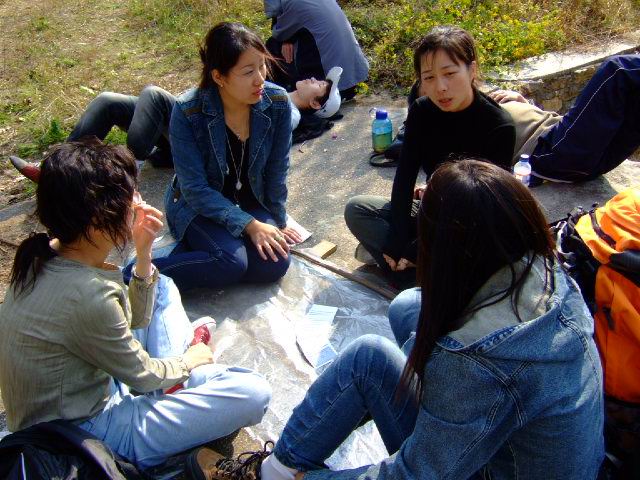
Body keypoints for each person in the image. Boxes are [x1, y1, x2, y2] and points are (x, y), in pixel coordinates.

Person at [188, 159, 604, 480]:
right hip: (538, 458)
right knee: (409, 306)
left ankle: (270, 475)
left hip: (488, 466)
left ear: (449, 249)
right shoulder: (550, 270)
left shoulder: (474, 362)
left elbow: (414, 475)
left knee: (367, 358)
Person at [0, 139, 272, 471]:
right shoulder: (88, 294)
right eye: (131, 197)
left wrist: (143, 254)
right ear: (98, 218)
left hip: (87, 386)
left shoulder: (46, 253)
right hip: (84, 434)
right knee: (253, 393)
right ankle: (180, 377)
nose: (139, 202)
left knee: (162, 284)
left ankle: (176, 377)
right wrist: (187, 361)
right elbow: (141, 375)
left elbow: (129, 321)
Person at [345, 26, 516, 287]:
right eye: (429, 77)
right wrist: (398, 238)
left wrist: (416, 247)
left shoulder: (498, 126)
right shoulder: (422, 110)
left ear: (471, 70)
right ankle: (420, 276)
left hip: (471, 224)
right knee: (357, 209)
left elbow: (484, 208)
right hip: (433, 210)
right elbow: (405, 177)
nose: (440, 87)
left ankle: (413, 275)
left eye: (449, 74)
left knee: (482, 252)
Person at [137, 22, 301, 292]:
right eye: (248, 72)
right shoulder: (188, 111)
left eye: (262, 65)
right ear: (219, 77)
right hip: (198, 205)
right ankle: (139, 273)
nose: (260, 79)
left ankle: (205, 256)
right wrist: (249, 225)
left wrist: (278, 222)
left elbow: (276, 171)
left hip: (250, 200)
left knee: (275, 263)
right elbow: (195, 189)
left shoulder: (278, 103)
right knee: (230, 262)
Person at [8, 71, 342, 180]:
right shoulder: (274, 87)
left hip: (203, 138)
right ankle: (56, 168)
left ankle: (123, 173)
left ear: (316, 104)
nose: (314, 78)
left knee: (153, 95)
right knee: (108, 101)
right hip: (193, 120)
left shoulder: (289, 114)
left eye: (320, 86)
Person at [487, 54, 640, 184]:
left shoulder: (482, 100)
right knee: (619, 69)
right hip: (549, 152)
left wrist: (526, 104)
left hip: (574, 146)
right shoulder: (473, 122)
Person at [264, 0, 369, 100]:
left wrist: (285, 38)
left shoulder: (291, 5)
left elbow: (279, 32)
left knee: (272, 46)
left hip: (329, 92)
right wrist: (287, 38)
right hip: (354, 83)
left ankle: (273, 96)